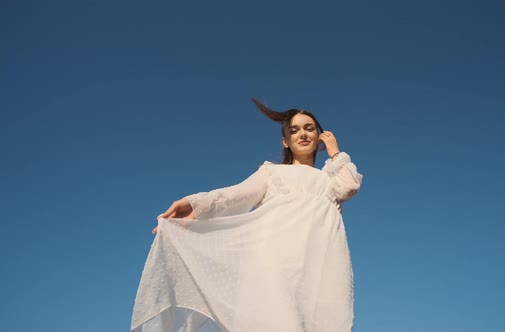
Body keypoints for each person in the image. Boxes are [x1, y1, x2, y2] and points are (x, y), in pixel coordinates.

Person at [131, 99, 363, 332]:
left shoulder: (329, 180)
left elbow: (350, 186)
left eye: (309, 128)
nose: (302, 133)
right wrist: (194, 205)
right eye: (294, 130)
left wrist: (335, 153)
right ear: (285, 141)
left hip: (321, 267)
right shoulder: (272, 173)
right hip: (275, 264)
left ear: (320, 137)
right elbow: (232, 196)